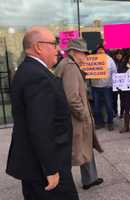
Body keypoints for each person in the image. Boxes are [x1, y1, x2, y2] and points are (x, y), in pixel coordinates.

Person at [6, 27, 79, 200]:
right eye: (54, 44)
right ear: (38, 47)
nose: (58, 49)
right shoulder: (37, 76)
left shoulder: (27, 70)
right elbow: (40, 127)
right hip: (45, 167)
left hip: (35, 163)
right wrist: (51, 169)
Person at [55, 39, 104, 190]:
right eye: (83, 53)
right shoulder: (70, 66)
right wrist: (83, 114)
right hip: (75, 119)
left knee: (85, 146)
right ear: (74, 52)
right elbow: (72, 97)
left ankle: (90, 178)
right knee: (73, 151)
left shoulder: (69, 64)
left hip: (73, 117)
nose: (85, 56)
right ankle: (62, 184)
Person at [91, 45, 117, 131]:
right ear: (97, 51)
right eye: (99, 50)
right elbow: (87, 71)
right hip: (95, 87)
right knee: (96, 107)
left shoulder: (109, 60)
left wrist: (112, 84)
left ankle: (110, 122)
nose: (100, 52)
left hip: (107, 87)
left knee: (109, 106)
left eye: (102, 50)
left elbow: (114, 72)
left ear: (104, 51)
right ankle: (99, 123)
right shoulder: (92, 59)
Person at [113, 49, 125, 118]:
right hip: (114, 83)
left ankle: (122, 113)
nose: (119, 55)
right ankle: (115, 111)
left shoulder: (124, 62)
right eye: (117, 54)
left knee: (122, 99)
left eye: (120, 54)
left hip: (122, 84)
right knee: (114, 99)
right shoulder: (113, 62)